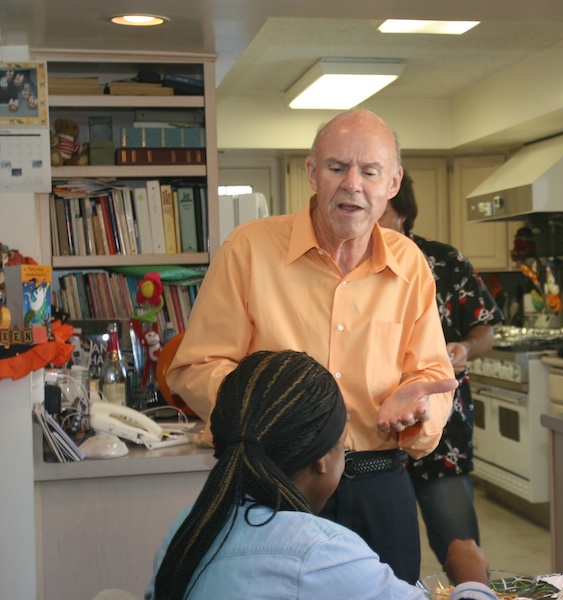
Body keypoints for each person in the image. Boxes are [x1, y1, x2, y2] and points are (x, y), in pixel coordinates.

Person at [166, 109, 457, 583]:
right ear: (312, 173)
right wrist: (275, 410)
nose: (352, 184)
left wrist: (421, 409)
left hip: (379, 482)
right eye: (337, 167)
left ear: (393, 182)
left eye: (370, 171)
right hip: (273, 486)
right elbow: (194, 368)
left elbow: (434, 376)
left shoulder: (410, 262)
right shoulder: (248, 249)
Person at [147, 350, 500, 599]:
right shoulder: (320, 554)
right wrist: (470, 574)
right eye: (342, 442)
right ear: (322, 460)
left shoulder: (189, 526)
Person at [379, 173, 504, 568]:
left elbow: (486, 328)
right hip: (372, 436)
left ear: (403, 214)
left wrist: (466, 347)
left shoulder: (446, 262)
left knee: (459, 546)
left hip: (443, 430)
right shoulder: (348, 269)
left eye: (380, 214)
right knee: (383, 563)